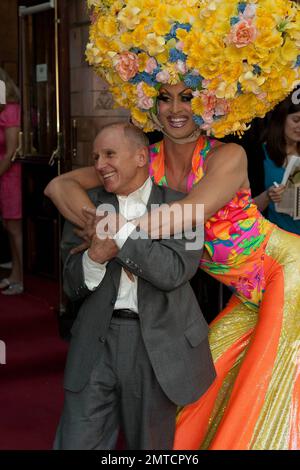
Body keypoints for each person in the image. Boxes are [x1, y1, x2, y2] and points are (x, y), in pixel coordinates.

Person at [46, 0, 300, 449]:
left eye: (188, 96)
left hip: (285, 272)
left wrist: (114, 226)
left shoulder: (227, 155)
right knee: (199, 391)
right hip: (247, 294)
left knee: (266, 398)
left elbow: (189, 213)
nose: (176, 108)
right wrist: (98, 222)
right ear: (151, 102)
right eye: (165, 97)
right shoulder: (149, 163)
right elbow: (60, 186)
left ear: (207, 101)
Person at [54, 122, 215, 450]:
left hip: (160, 343)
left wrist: (121, 235)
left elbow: (174, 271)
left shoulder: (185, 206)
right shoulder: (86, 207)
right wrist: (95, 260)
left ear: (142, 157)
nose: (99, 164)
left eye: (109, 154)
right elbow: (70, 284)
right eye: (96, 156)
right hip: (95, 341)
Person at [252, 95, 300, 234]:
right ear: (281, 120)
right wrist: (268, 195)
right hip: (275, 238)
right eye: (296, 120)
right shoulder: (259, 155)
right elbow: (243, 209)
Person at [0, 68, 23, 295]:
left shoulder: (11, 109)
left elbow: (10, 152)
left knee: (14, 227)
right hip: (3, 173)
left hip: (9, 175)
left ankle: (20, 276)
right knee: (8, 226)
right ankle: (14, 272)